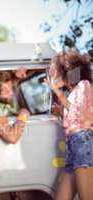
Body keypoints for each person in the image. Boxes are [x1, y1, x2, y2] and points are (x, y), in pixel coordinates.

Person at [45, 50, 93, 200]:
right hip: (73, 144)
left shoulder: (84, 85)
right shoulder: (71, 93)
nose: (52, 76)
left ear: (67, 70)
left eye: (55, 71)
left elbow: (77, 111)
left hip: (83, 141)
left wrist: (57, 92)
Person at [0, 71, 30, 144]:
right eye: (7, 91)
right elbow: (12, 138)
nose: (12, 93)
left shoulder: (3, 101)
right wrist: (23, 116)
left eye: (11, 88)